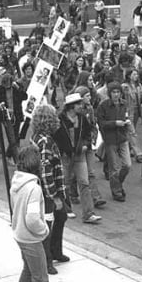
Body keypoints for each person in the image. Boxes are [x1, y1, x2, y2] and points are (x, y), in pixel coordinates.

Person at [31, 104, 69, 275]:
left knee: (61, 216)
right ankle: (47, 260)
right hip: (48, 191)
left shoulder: (41, 137)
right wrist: (54, 196)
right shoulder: (46, 142)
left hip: (53, 188)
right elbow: (46, 171)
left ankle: (56, 251)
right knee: (47, 224)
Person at [53, 93, 102, 224]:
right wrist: (61, 151)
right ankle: (66, 209)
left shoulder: (82, 119)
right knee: (65, 183)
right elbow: (55, 137)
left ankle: (88, 214)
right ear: (71, 106)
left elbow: (87, 133)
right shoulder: (60, 119)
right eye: (78, 104)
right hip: (65, 156)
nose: (81, 106)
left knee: (84, 182)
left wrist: (86, 144)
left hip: (79, 154)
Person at [11, 145, 50, 282]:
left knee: (28, 272)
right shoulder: (33, 188)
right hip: (31, 239)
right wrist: (44, 230)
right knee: (41, 279)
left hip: (20, 234)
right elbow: (33, 218)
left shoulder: (17, 182)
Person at [96, 81, 132, 202]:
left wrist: (127, 123)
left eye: (118, 92)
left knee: (127, 165)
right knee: (114, 168)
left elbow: (126, 116)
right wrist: (115, 123)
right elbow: (101, 123)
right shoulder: (103, 106)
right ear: (109, 93)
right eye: (114, 92)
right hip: (110, 139)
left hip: (122, 138)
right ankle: (116, 192)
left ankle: (117, 184)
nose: (116, 94)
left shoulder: (124, 104)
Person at [122, 69, 142, 162]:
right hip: (128, 111)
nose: (136, 76)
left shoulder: (138, 85)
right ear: (129, 76)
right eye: (134, 74)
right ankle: (139, 153)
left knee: (129, 131)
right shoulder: (124, 86)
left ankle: (101, 152)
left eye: (137, 74)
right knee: (132, 132)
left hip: (137, 111)